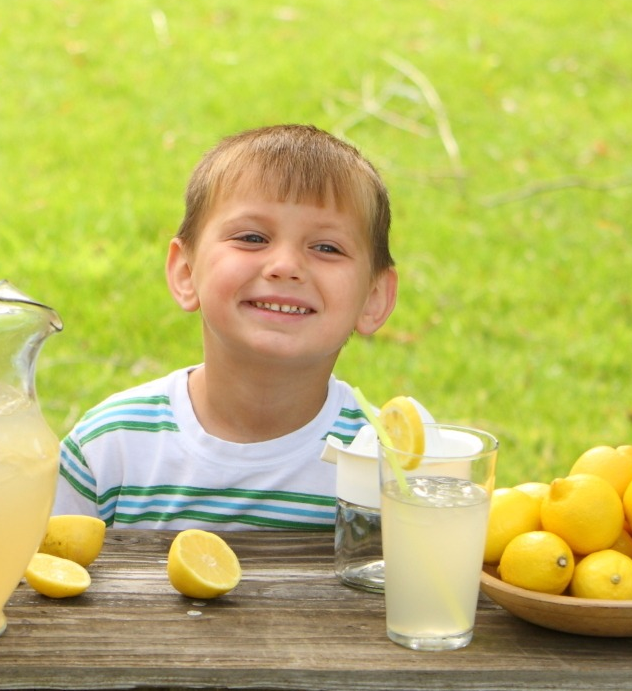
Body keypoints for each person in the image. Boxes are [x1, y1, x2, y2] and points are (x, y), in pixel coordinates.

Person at [53, 124, 397, 529]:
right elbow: (44, 575)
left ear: (374, 297)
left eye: (327, 247)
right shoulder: (109, 449)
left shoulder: (392, 461)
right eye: (251, 238)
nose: (285, 266)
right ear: (185, 272)